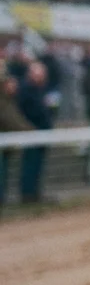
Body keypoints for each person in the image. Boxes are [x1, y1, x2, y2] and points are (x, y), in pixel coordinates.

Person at [16, 62, 51, 204]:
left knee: (36, 164)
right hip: (32, 132)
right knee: (30, 164)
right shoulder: (27, 90)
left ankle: (33, 192)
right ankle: (28, 194)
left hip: (41, 132)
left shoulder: (38, 89)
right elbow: (31, 111)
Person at [0, 75, 34, 213]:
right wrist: (31, 131)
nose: (15, 87)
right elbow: (12, 120)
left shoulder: (9, 101)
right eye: (12, 84)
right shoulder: (3, 102)